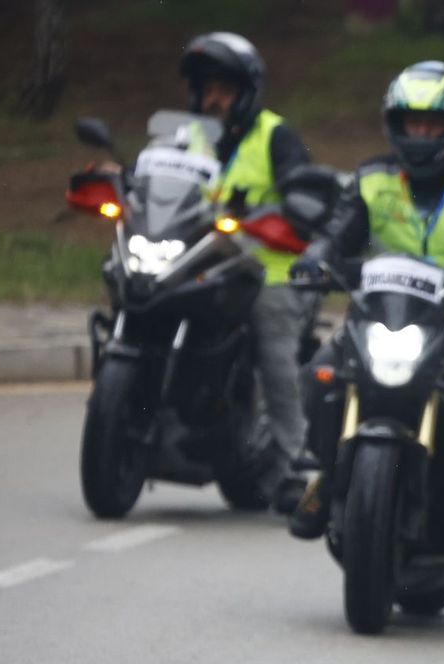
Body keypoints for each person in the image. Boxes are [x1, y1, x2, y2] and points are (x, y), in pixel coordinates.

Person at [287, 62, 444, 559]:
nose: (421, 134)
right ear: (395, 124)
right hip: (377, 313)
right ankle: (323, 472)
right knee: (319, 372)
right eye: (412, 122)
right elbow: (333, 235)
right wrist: (314, 259)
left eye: (434, 123)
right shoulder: (371, 178)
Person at [180, 32, 314, 508]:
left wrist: (294, 211)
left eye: (223, 88)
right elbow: (155, 182)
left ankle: (297, 465)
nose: (213, 99)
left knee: (275, 352)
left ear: (246, 90)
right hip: (194, 263)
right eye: (206, 88)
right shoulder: (188, 136)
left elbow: (306, 193)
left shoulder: (274, 134)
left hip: (266, 270)